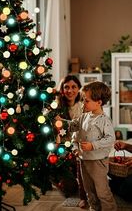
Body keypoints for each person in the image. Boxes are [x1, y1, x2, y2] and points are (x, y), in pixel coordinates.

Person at [62, 81, 117, 211]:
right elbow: (72, 126)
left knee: (102, 190)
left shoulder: (104, 120)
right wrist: (61, 122)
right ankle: (94, 208)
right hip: (83, 159)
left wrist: (93, 145)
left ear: (99, 102)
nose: (83, 103)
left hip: (98, 161)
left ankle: (109, 208)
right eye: (83, 100)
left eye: (86, 101)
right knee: (89, 190)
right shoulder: (84, 117)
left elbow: (110, 139)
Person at [57, 75, 88, 208]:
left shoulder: (84, 107)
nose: (70, 91)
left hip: (79, 148)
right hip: (62, 150)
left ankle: (85, 193)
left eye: (74, 87)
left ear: (79, 89)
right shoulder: (56, 107)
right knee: (69, 189)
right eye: (66, 87)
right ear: (62, 90)